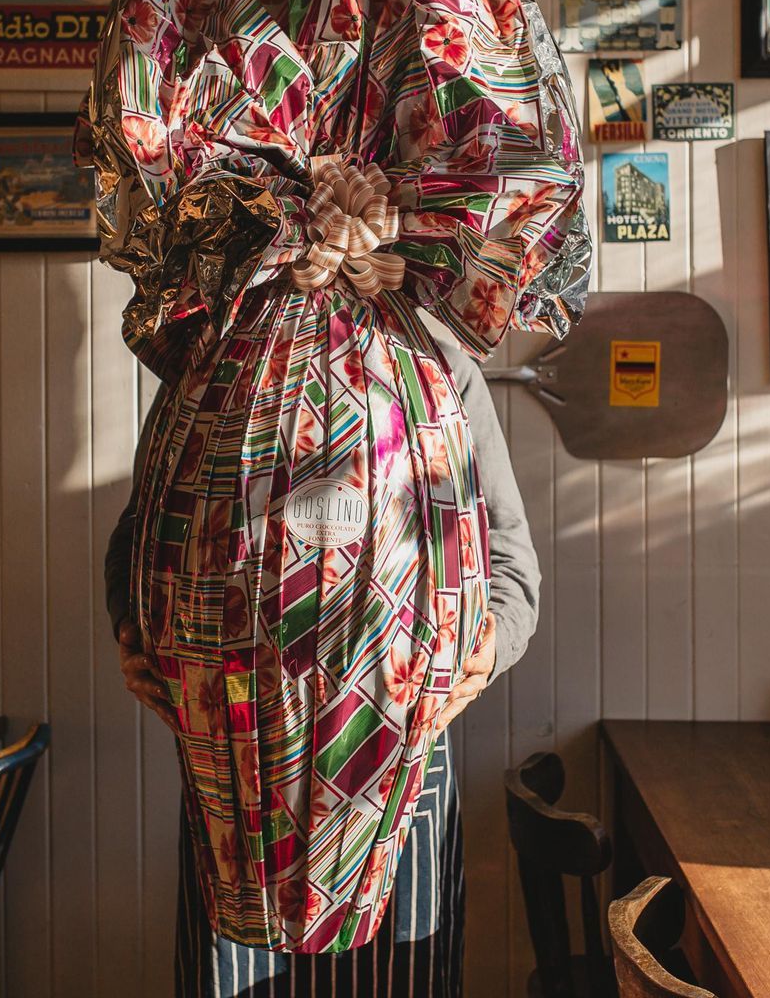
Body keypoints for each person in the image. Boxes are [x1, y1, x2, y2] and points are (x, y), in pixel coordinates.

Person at [105, 341, 541, 998]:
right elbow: (142, 535)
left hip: (398, 773)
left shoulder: (437, 366)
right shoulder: (218, 359)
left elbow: (508, 566)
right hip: (238, 771)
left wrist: (486, 652)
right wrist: (133, 630)